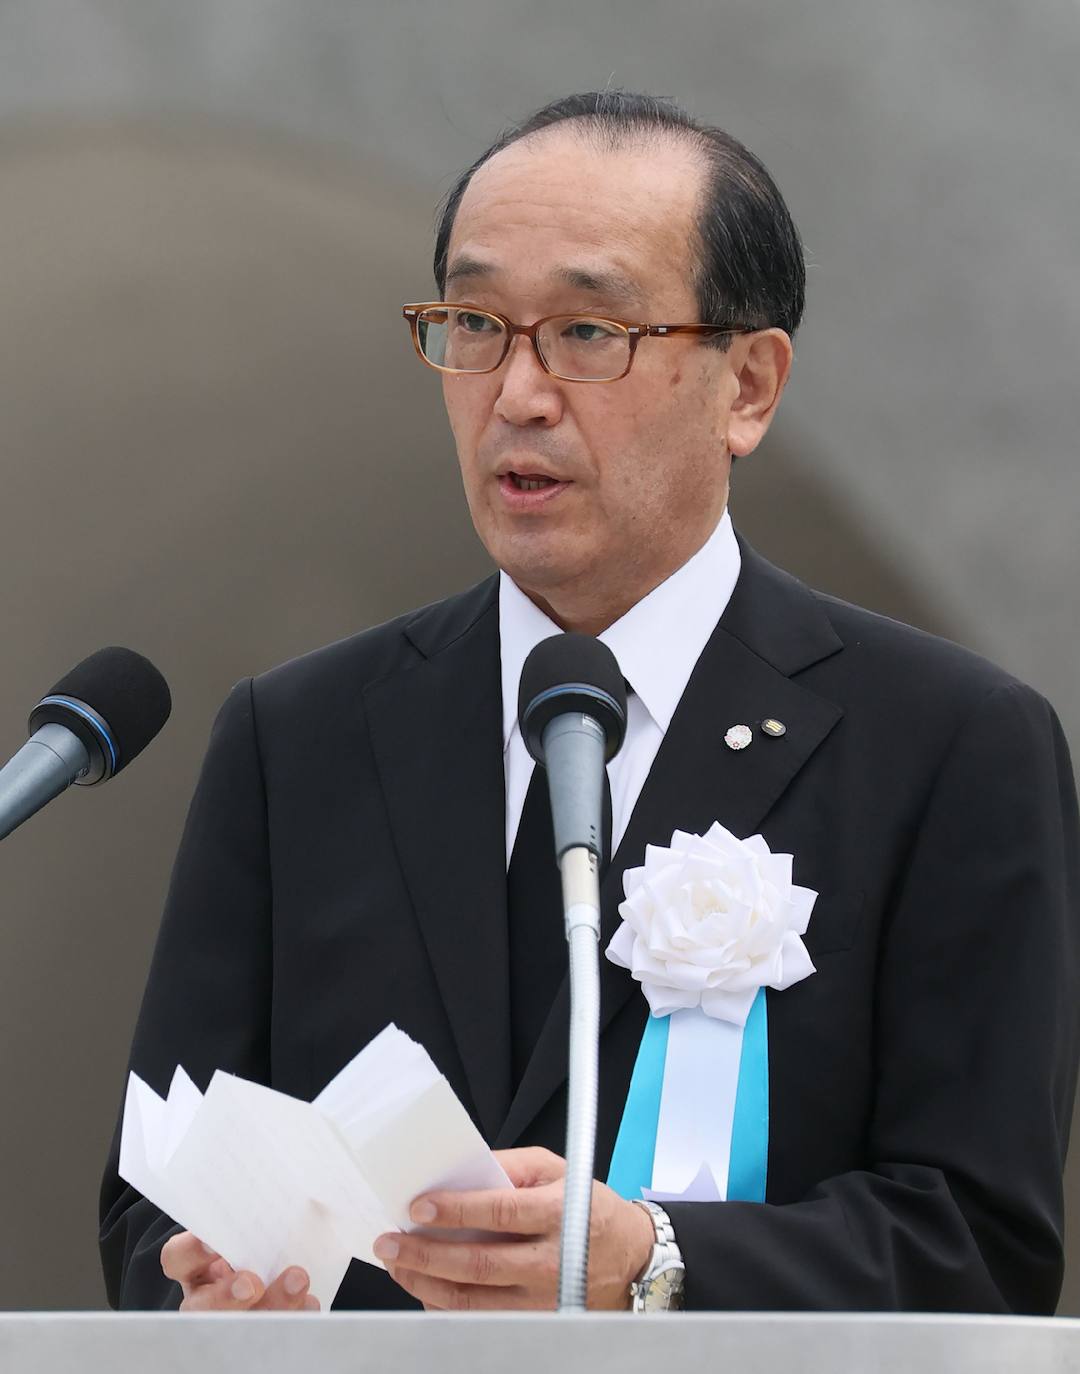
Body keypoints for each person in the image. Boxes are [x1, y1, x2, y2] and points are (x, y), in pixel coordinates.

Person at [100, 90, 1079, 1315]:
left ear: (749, 387)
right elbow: (152, 1208)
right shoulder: (297, 737)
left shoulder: (947, 747)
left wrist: (654, 1263)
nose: (517, 392)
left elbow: (981, 1251)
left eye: (589, 332)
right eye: (475, 323)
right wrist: (201, 1284)